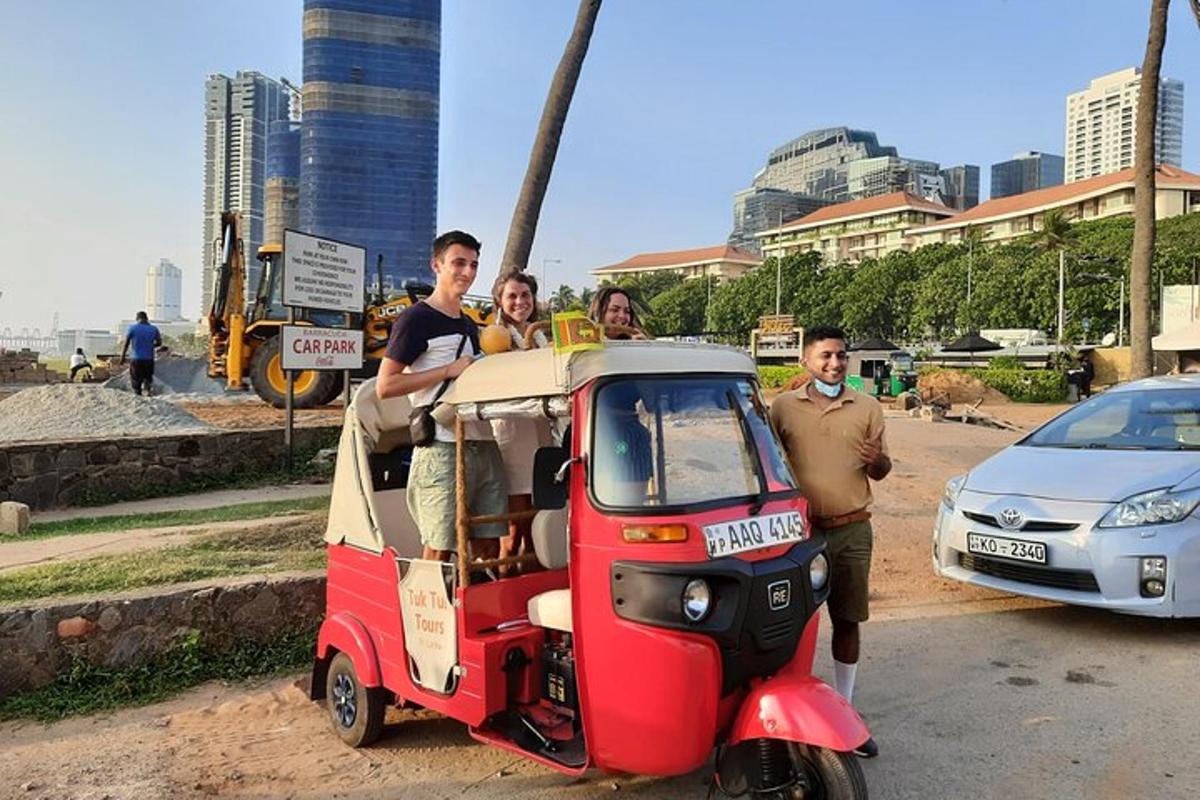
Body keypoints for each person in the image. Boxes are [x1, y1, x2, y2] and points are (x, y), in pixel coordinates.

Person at [768, 325, 890, 760]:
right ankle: (785, 714)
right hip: (800, 534)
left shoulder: (868, 407)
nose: (835, 364)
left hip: (853, 529)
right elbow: (766, 462)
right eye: (825, 357)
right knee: (788, 624)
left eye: (841, 356)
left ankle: (844, 708)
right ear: (806, 361)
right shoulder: (782, 408)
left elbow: (880, 470)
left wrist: (879, 463)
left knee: (848, 619)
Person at [377, 231, 507, 563]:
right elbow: (386, 385)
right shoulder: (415, 319)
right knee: (440, 544)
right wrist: (447, 371)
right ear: (436, 265)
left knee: (490, 541)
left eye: (474, 265)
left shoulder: (468, 324)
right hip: (441, 445)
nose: (467, 272)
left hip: (482, 440)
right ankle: (431, 612)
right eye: (458, 263)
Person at [490, 268, 552, 569]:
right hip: (512, 435)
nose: (519, 301)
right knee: (514, 530)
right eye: (511, 296)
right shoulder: (495, 337)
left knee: (539, 527)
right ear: (500, 301)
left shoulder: (538, 334)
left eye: (525, 295)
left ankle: (529, 589)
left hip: (541, 431)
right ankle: (503, 587)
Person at [120, 311, 162, 396]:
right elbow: (159, 343)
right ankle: (148, 392)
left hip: (136, 359)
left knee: (136, 380)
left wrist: (122, 357)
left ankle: (138, 394)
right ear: (147, 319)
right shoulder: (154, 329)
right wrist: (150, 345)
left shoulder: (132, 328)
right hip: (149, 359)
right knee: (148, 378)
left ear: (137, 319)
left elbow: (126, 343)